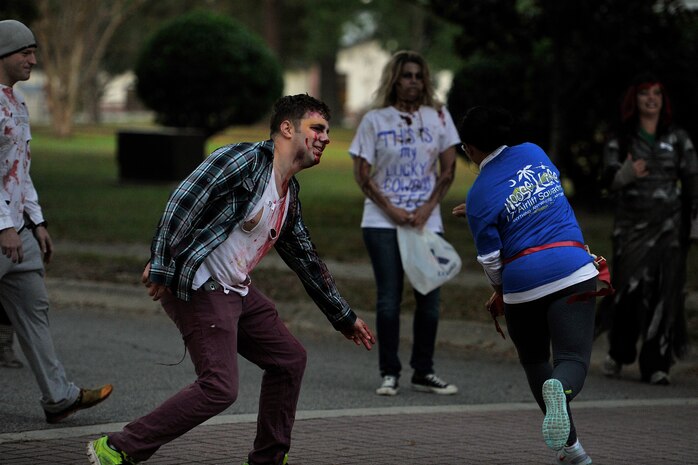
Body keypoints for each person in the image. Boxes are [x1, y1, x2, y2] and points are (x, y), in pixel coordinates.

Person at [86, 94, 376, 465]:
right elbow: (182, 202)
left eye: (327, 131)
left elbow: (307, 260)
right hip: (200, 283)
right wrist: (161, 265)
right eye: (317, 129)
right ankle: (117, 448)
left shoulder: (288, 195)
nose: (325, 138)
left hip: (235, 288)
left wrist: (344, 317)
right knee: (219, 388)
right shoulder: (243, 160)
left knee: (288, 360)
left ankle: (268, 458)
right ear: (288, 129)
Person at [454, 106, 599, 464]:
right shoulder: (535, 152)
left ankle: (574, 452)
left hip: (522, 286)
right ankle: (561, 391)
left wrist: (501, 292)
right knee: (571, 360)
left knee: (536, 362)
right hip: (571, 268)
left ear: (470, 148)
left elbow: (490, 260)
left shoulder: (478, 195)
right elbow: (540, 201)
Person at [0, 19, 113, 422]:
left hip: (18, 231)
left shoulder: (15, 102)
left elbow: (19, 170)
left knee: (35, 307)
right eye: (24, 52)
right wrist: (4, 226)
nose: (33, 59)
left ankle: (58, 397)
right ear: (3, 56)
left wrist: (36, 221)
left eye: (33, 52)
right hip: (2, 231)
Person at [349, 50, 459, 397]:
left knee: (429, 298)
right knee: (389, 297)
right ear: (394, 79)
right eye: (406, 75)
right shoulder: (375, 120)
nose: (413, 81)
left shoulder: (439, 117)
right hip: (381, 221)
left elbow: (449, 169)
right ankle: (389, 372)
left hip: (426, 221)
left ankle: (423, 371)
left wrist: (427, 207)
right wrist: (392, 210)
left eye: (418, 75)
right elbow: (362, 174)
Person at [597, 72, 698, 385]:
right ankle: (619, 352)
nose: (651, 99)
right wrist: (627, 173)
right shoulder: (621, 138)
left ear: (663, 99)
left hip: (669, 228)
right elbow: (608, 181)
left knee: (665, 294)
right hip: (631, 229)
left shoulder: (678, 138)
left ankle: (657, 363)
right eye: (645, 94)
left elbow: (693, 181)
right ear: (635, 100)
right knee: (629, 291)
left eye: (657, 93)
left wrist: (693, 226)